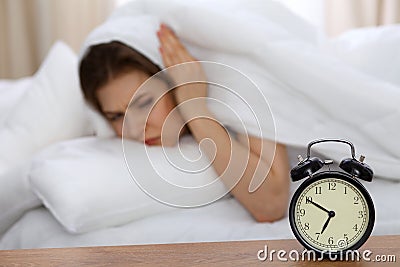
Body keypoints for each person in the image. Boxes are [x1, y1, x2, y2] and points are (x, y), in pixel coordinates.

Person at [79, 23, 290, 222]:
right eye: (116, 116)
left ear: (176, 79)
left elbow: (271, 205)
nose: (134, 129)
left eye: (144, 103)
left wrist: (193, 106)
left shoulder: (234, 80)